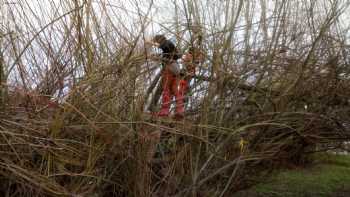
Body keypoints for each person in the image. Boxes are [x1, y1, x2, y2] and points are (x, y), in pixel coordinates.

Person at [147, 34, 184, 118]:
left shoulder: (166, 43)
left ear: (159, 40)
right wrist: (157, 57)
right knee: (175, 90)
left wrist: (151, 42)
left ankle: (164, 111)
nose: (157, 43)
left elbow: (163, 46)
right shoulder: (170, 49)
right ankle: (180, 110)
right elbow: (168, 54)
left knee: (166, 89)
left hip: (170, 68)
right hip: (176, 69)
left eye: (157, 41)